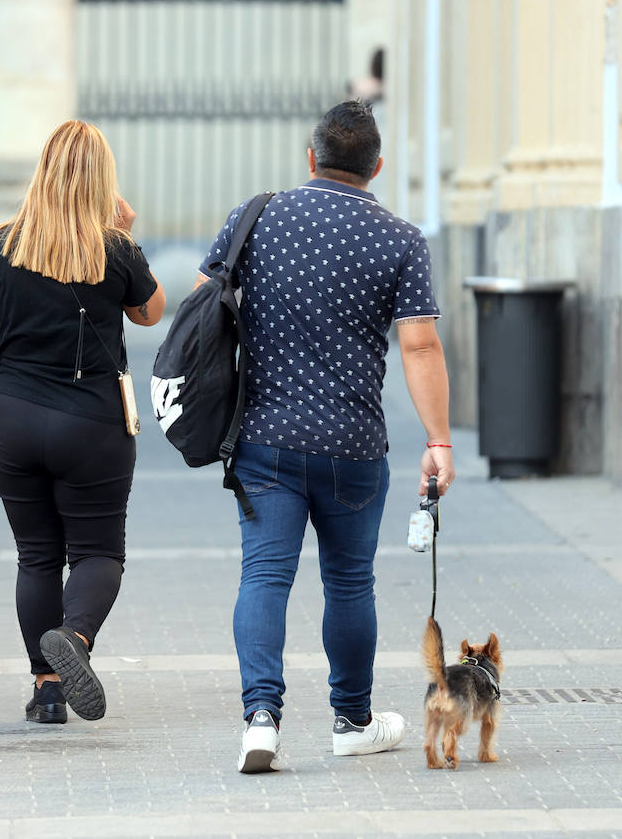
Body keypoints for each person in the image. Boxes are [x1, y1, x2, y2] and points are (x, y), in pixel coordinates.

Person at [194, 100, 454, 773]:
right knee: (349, 584)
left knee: (265, 576)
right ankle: (351, 719)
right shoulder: (400, 238)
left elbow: (201, 307)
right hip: (354, 446)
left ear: (311, 158)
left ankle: (260, 720)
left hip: (264, 438)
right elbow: (420, 347)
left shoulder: (254, 218)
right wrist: (440, 441)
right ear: (378, 166)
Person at [0, 120, 166, 725]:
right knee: (97, 552)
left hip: (12, 417)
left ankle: (47, 691)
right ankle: (75, 637)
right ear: (102, 178)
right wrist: (124, 234)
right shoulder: (113, 249)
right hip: (92, 424)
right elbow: (150, 313)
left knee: (36, 555)